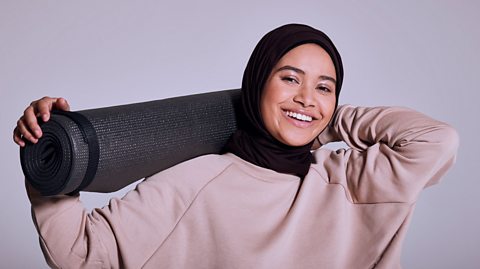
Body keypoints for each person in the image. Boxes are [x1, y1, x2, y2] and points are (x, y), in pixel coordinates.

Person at [13, 24, 458, 269]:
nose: (307, 96)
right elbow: (82, 256)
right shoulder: (197, 180)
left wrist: (321, 122)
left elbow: (436, 141)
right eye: (289, 79)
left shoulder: (349, 180)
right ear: (255, 85)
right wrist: (47, 158)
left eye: (325, 87)